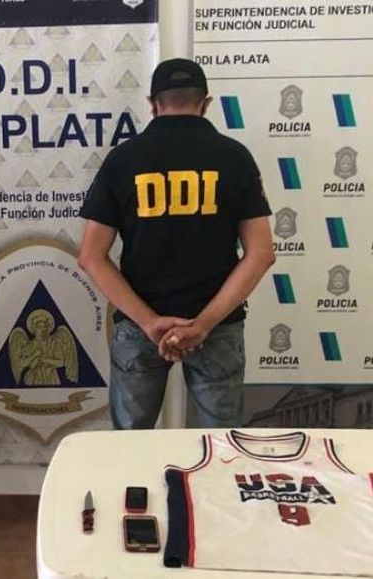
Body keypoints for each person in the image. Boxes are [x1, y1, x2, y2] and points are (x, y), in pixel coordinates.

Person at [78, 58, 275, 429]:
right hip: (217, 327)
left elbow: (90, 256)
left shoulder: (124, 159)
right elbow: (261, 253)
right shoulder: (234, 158)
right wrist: (203, 324)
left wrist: (150, 322)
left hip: (139, 328)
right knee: (221, 446)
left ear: (153, 103)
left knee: (129, 446)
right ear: (206, 103)